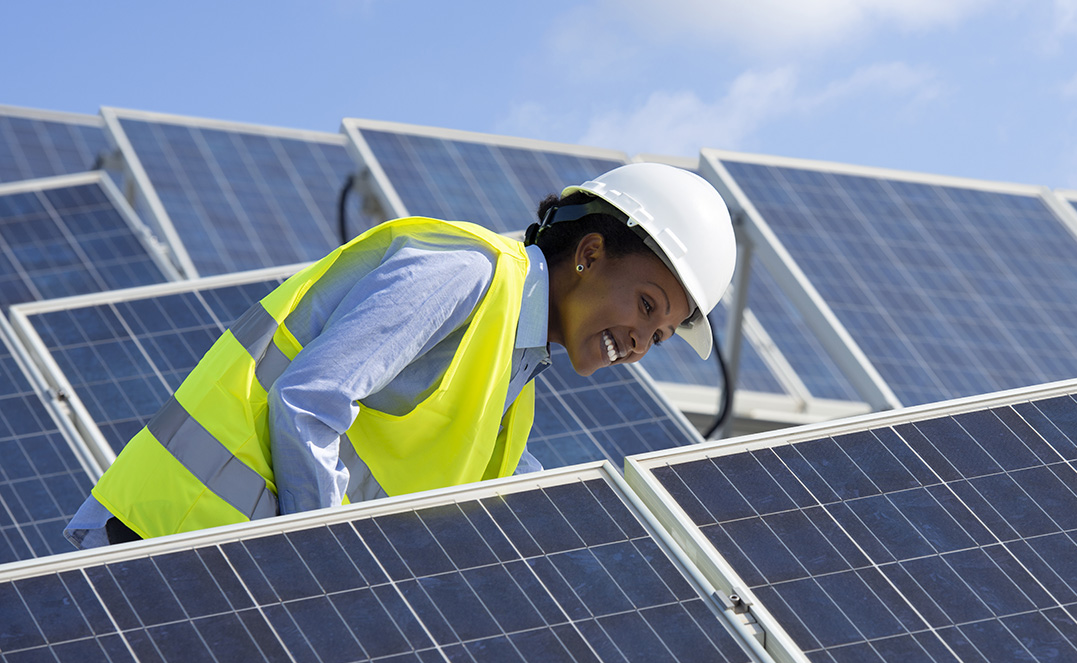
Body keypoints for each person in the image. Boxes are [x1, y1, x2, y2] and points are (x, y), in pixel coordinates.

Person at [64, 162, 736, 547]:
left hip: (223, 569)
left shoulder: (514, 392)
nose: (641, 344)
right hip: (163, 539)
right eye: (647, 306)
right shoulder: (467, 273)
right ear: (590, 254)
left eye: (661, 336)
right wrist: (328, 569)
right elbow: (309, 401)